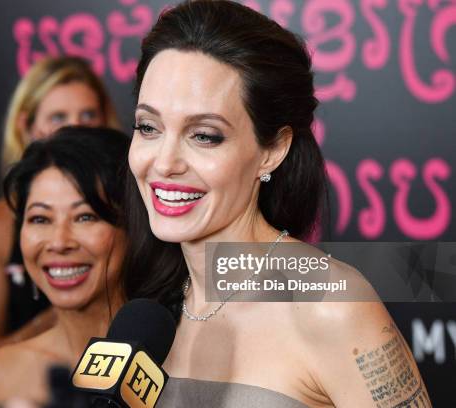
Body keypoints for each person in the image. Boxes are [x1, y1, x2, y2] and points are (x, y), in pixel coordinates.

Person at [124, 1, 431, 407]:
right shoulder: (148, 313)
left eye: (204, 136)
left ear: (273, 149)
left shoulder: (329, 307)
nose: (164, 163)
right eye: (148, 127)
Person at [0, 56, 121, 367]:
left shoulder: (141, 209)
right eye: (39, 219)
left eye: (86, 217)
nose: (75, 129)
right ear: (27, 126)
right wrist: (60, 318)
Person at [0, 126, 130, 404]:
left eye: (85, 217)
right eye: (40, 219)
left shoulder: (190, 361)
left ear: (134, 225)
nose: (59, 242)